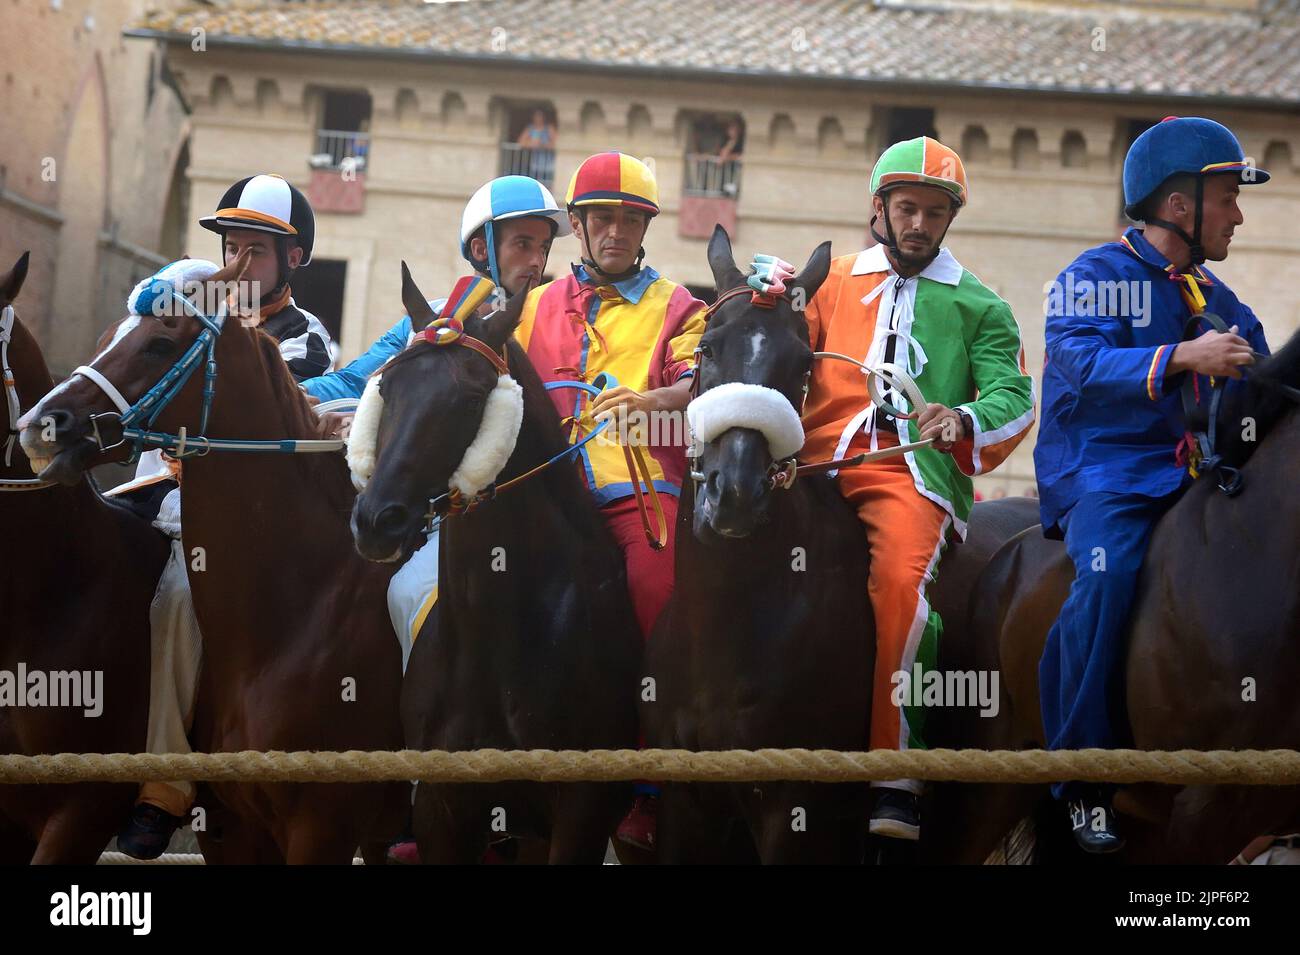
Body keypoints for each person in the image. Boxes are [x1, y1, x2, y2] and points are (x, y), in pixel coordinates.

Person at [1035, 116, 1270, 853]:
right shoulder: (1090, 277)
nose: (1238, 215)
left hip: (1199, 477)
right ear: (1178, 205)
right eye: (1228, 198)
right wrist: (1185, 357)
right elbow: (1078, 365)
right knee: (1107, 575)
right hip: (1105, 470)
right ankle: (1081, 777)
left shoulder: (1224, 302)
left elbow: (1263, 393)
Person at [795, 136, 1035, 841]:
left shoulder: (982, 305)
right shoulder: (829, 281)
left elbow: (1015, 397)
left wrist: (962, 417)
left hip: (910, 475)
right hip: (810, 463)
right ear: (880, 208)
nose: (919, 224)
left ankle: (896, 775)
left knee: (902, 585)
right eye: (907, 208)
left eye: (935, 212)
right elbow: (779, 354)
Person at [113, 174, 333, 858]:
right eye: (230, 248)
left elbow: (265, 423)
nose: (236, 264)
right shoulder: (183, 314)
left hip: (245, 520)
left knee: (180, 593)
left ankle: (163, 785)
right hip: (154, 492)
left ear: (294, 258)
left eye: (255, 251)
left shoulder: (306, 338)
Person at [515, 152, 708, 849]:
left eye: (631, 220)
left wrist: (652, 402)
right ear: (578, 225)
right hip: (537, 496)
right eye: (603, 219)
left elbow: (699, 383)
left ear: (646, 228)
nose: (617, 232)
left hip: (639, 492)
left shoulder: (682, 306)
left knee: (658, 586)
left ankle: (651, 780)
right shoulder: (529, 305)